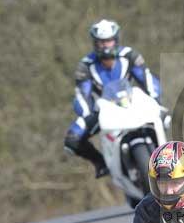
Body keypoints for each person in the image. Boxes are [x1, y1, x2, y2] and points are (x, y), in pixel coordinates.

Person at [64, 19, 169, 177]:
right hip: (105, 111)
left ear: (116, 40)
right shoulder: (85, 65)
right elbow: (82, 94)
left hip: (132, 104)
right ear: (95, 43)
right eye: (101, 42)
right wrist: (88, 114)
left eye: (109, 41)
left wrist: (156, 102)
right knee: (72, 140)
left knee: (165, 117)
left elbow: (148, 79)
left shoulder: (129, 56)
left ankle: (168, 158)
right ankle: (101, 164)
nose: (106, 45)